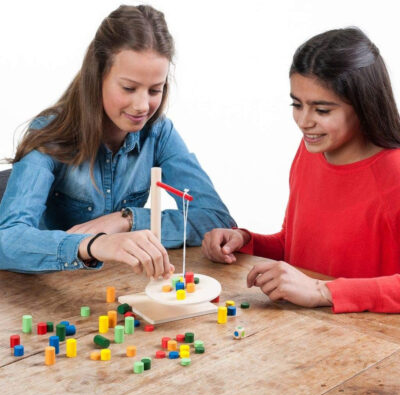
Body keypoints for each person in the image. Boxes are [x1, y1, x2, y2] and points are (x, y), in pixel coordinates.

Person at [0, 5, 235, 276]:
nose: (142, 106)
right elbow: (7, 240)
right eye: (129, 88)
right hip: (45, 294)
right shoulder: (50, 132)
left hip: (114, 288)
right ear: (97, 76)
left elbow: (217, 219)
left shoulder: (159, 133)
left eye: (155, 90)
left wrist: (127, 220)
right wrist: (93, 245)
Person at [202, 27, 400, 313]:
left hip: (373, 349)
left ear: (363, 106)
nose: (304, 121)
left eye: (322, 110)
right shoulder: (312, 151)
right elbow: (298, 247)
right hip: (307, 336)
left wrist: (323, 291)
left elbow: (317, 284)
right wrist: (245, 241)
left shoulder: (393, 173)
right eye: (297, 104)